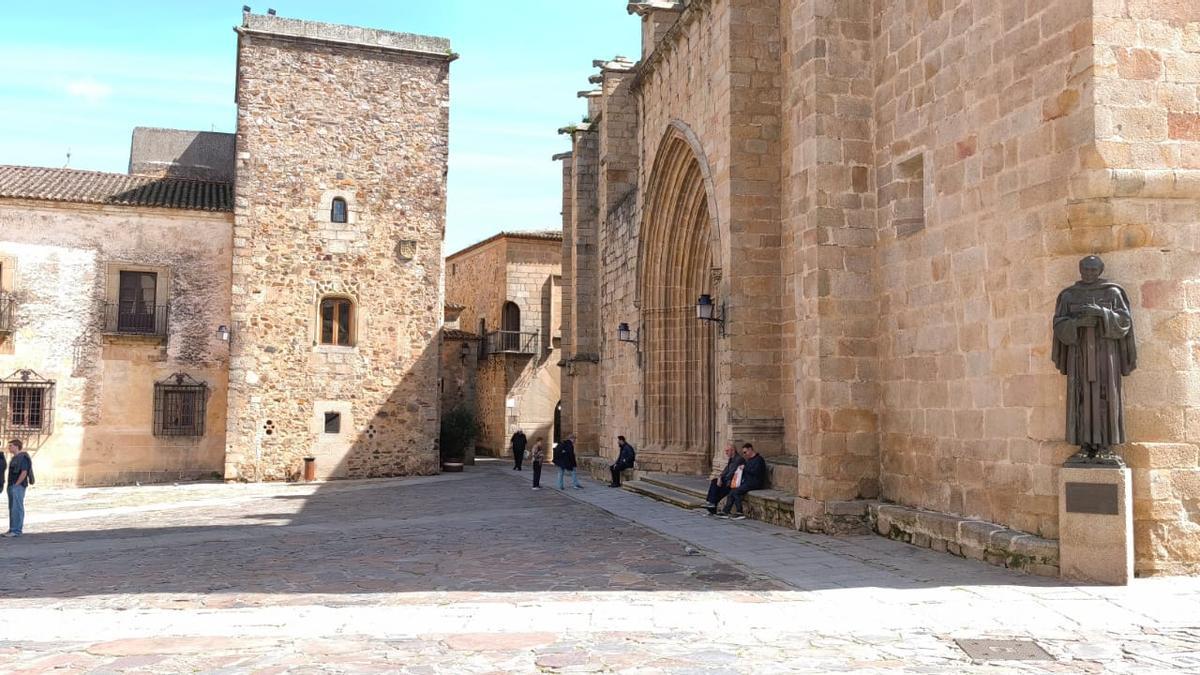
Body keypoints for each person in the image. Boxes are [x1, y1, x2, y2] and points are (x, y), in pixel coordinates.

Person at [1051, 255, 1137, 465]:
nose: (1089, 274)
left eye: (1093, 270)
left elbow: (1124, 321)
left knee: (1105, 396)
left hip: (1105, 356)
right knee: (1080, 396)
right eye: (1085, 270)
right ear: (1080, 270)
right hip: (1078, 356)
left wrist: (1102, 314)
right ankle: (1084, 445)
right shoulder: (1069, 296)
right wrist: (1077, 323)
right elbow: (1059, 323)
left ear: (1100, 270)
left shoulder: (1112, 292)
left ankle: (1105, 446)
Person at [718, 442, 766, 521]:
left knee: (736, 491)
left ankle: (740, 512)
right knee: (732, 491)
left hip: (755, 482)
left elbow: (756, 472)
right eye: (743, 453)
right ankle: (726, 511)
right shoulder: (749, 460)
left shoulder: (759, 460)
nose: (744, 454)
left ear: (750, 450)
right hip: (747, 482)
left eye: (745, 452)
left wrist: (745, 468)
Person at [705, 443, 743, 515]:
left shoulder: (738, 459)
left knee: (717, 489)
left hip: (732, 482)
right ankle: (711, 504)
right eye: (726, 451)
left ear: (733, 451)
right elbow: (725, 470)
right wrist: (720, 477)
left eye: (727, 451)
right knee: (715, 482)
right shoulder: (731, 459)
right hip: (727, 481)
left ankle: (711, 504)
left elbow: (732, 472)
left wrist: (722, 479)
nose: (726, 453)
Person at [5, 439, 31, 538]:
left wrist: (16, 485)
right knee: (12, 508)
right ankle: (12, 529)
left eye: (10, 445)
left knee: (17, 508)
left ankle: (16, 530)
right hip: (12, 485)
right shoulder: (15, 458)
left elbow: (24, 472)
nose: (9, 447)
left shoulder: (22, 457)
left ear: (16, 446)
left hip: (18, 486)